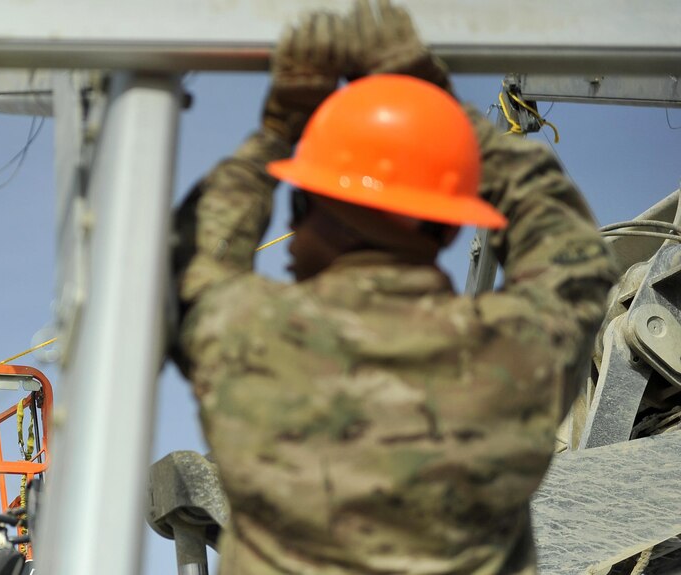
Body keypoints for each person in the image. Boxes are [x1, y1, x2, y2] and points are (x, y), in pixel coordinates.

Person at [171, 1, 618, 573]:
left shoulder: (250, 337)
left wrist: (277, 131)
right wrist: (439, 105)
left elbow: (190, 259)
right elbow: (571, 250)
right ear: (448, 222)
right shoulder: (518, 350)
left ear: (319, 208)